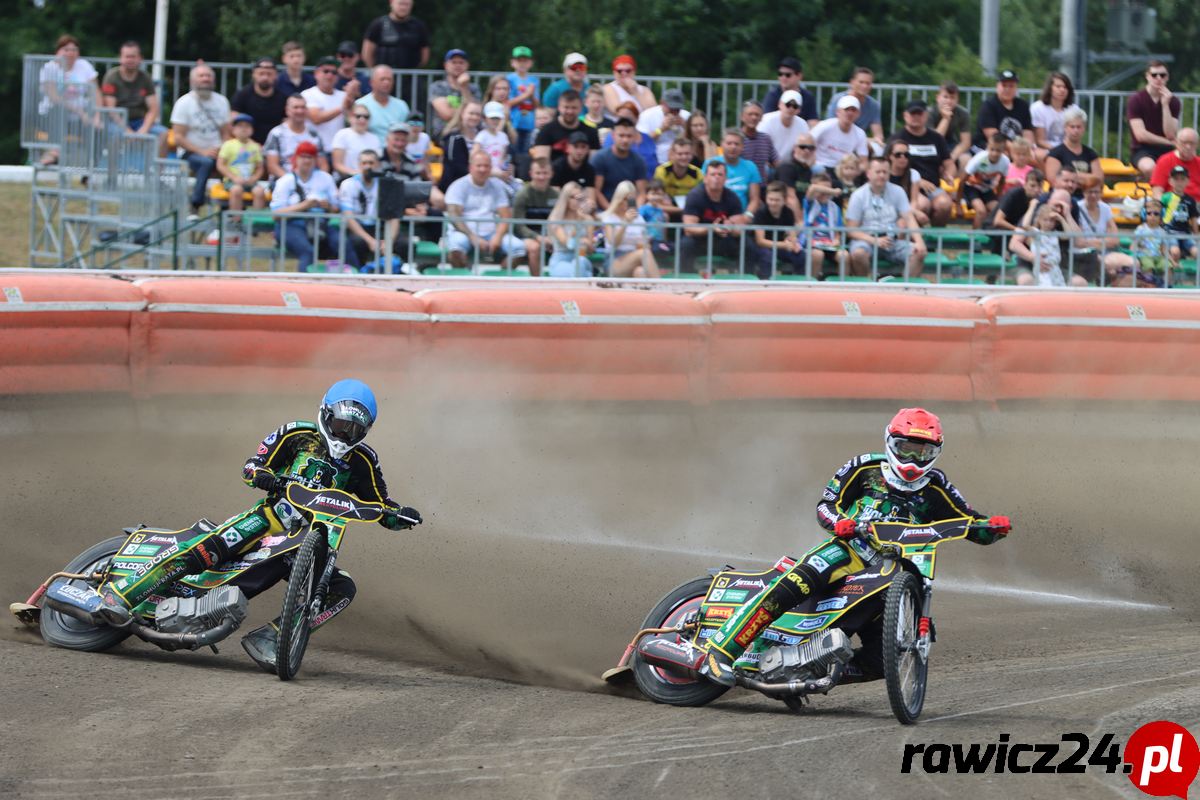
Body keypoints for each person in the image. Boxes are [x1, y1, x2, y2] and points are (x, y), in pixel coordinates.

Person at [95, 379, 423, 673]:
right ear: (325, 414)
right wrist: (264, 477)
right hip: (269, 518)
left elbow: (379, 504)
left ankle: (272, 639)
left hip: (318, 535)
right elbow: (252, 466)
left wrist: (400, 517)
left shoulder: (364, 460)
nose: (344, 435)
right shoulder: (296, 433)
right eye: (339, 425)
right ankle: (120, 595)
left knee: (343, 589)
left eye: (353, 430)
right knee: (206, 551)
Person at [694, 408, 1011, 687]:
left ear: (936, 453)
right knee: (795, 583)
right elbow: (826, 505)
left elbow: (971, 523)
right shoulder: (864, 467)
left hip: (890, 574)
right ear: (890, 443)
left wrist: (992, 527)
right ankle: (719, 652)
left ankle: (805, 671)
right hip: (847, 551)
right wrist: (838, 523)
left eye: (922, 452)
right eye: (905, 449)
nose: (913, 460)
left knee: (886, 658)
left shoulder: (937, 487)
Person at [444, 149, 527, 268]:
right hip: (464, 232)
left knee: (519, 249)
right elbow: (454, 215)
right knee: (456, 248)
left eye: (486, 166)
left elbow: (505, 215)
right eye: (479, 166)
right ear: (471, 167)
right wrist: (473, 237)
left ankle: (499, 279)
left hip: (491, 232)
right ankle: (465, 278)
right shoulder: (458, 186)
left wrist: (498, 236)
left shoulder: (497, 186)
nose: (482, 169)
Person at [845, 156, 927, 277]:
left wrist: (919, 242)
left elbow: (909, 218)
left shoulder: (898, 191)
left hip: (891, 240)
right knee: (858, 253)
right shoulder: (858, 195)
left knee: (918, 253)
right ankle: (863, 287)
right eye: (878, 172)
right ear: (868, 174)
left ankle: (905, 290)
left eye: (885, 172)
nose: (882, 175)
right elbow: (851, 230)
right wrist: (875, 241)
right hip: (866, 239)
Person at [268, 140, 342, 271]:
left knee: (343, 244)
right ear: (296, 158)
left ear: (315, 160)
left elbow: (336, 208)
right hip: (290, 225)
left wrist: (328, 206)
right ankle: (304, 287)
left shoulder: (325, 178)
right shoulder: (285, 181)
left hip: (320, 224)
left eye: (310, 157)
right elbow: (276, 215)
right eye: (303, 156)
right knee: (308, 252)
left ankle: (358, 285)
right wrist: (304, 206)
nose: (306, 161)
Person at [171, 62, 231, 215]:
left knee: (237, 162)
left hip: (218, 151)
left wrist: (222, 149)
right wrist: (202, 151)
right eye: (201, 76)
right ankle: (195, 206)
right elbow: (178, 137)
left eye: (209, 76)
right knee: (206, 162)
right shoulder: (183, 103)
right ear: (193, 81)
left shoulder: (222, 101)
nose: (206, 79)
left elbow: (226, 133)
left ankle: (230, 209)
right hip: (190, 152)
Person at [888, 99, 954, 227]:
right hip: (907, 185)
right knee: (922, 205)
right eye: (913, 114)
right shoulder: (897, 138)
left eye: (920, 114)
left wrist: (948, 174)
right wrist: (919, 182)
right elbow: (890, 166)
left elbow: (949, 163)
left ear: (926, 115)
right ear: (905, 115)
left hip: (933, 187)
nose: (916, 117)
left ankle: (935, 242)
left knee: (945, 205)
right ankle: (916, 241)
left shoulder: (936, 138)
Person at [680, 160, 750, 272]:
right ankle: (684, 277)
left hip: (723, 238)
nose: (716, 178)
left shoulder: (732, 197)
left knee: (746, 243)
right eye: (712, 174)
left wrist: (730, 227)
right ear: (705, 178)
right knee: (686, 243)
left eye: (720, 174)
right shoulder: (695, 196)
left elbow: (739, 229)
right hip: (700, 240)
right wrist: (711, 228)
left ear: (725, 178)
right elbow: (688, 229)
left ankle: (745, 278)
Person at [1010, 201, 1087, 287]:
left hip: (1055, 269)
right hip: (1042, 269)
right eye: (1045, 220)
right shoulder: (1036, 233)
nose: (1048, 223)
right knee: (1045, 287)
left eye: (1051, 221)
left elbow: (1068, 235)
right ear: (1039, 220)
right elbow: (1024, 225)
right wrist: (1031, 208)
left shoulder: (1055, 234)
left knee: (1059, 289)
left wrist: (1061, 218)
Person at [1128, 60, 1181, 180]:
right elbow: (1141, 135)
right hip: (1142, 149)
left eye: (1162, 75)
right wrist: (1170, 142)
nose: (1158, 78)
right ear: (1147, 76)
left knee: (1182, 168)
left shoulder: (1173, 101)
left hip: (1167, 150)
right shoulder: (1136, 99)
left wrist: (1165, 105)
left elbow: (1170, 134)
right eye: (1154, 75)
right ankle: (1159, 195)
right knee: (1149, 167)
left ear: (1167, 77)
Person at [600, 180, 660, 277]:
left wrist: (646, 243)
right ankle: (661, 288)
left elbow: (646, 243)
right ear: (618, 199)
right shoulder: (609, 217)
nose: (627, 203)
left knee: (640, 272)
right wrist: (625, 223)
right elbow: (613, 242)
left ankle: (650, 291)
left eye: (631, 199)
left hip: (635, 256)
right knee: (644, 253)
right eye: (625, 199)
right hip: (614, 259)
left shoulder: (638, 218)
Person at [100, 41, 162, 135]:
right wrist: (127, 131)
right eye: (127, 56)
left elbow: (153, 108)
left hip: (140, 121)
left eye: (133, 56)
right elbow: (111, 109)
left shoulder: (146, 78)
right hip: (116, 122)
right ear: (120, 58)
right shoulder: (111, 77)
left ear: (140, 59)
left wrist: (144, 129)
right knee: (115, 133)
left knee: (163, 134)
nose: (130, 60)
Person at [511, 157, 559, 275]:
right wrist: (538, 238)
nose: (541, 177)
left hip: (550, 237)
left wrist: (553, 238)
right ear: (531, 174)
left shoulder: (556, 195)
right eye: (538, 173)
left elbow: (560, 220)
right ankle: (537, 283)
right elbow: (519, 226)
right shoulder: (522, 195)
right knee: (534, 248)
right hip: (526, 236)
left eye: (545, 173)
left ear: (551, 174)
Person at [264, 95, 326, 181]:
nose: (300, 111)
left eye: (303, 107)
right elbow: (272, 166)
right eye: (295, 107)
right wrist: (293, 182)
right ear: (287, 110)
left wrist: (317, 181)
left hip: (310, 182)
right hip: (282, 182)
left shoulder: (314, 135)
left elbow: (323, 165)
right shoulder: (276, 134)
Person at [972, 69, 1034, 154]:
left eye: (1011, 86)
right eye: (1004, 85)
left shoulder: (1023, 105)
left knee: (1039, 156)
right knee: (1004, 155)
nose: (1007, 89)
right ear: (997, 86)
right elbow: (993, 136)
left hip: (1018, 148)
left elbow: (1027, 132)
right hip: (989, 146)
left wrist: (1027, 148)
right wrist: (1018, 151)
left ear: (1016, 88)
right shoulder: (988, 106)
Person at [545, 181, 599, 277]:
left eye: (579, 198)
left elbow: (590, 250)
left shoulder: (588, 219)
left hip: (581, 259)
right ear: (565, 198)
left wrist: (588, 244)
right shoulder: (556, 218)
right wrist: (578, 225)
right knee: (578, 272)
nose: (575, 201)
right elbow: (568, 244)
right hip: (560, 260)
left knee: (580, 263)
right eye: (572, 197)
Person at [703, 129, 762, 215]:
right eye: (729, 143)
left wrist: (747, 216)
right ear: (722, 144)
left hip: (740, 217)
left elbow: (754, 199)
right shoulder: (709, 164)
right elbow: (701, 192)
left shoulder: (750, 167)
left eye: (736, 144)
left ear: (742, 146)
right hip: (712, 215)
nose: (733, 147)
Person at [361, 0, 431, 73]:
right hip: (384, 79)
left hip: (410, 78)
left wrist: (413, 70)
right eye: (401, 3)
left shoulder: (419, 26)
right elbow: (366, 53)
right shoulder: (378, 24)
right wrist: (377, 73)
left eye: (407, 4)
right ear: (391, 3)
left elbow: (425, 55)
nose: (403, 7)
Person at [231, 58, 289, 146]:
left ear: (276, 76)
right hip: (246, 146)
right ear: (254, 74)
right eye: (261, 73)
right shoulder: (242, 95)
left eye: (269, 74)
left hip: (276, 146)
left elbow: (288, 125)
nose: (265, 77)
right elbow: (233, 123)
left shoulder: (283, 98)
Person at [593, 118, 648, 209]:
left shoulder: (639, 161)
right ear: (613, 136)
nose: (625, 140)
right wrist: (611, 212)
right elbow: (596, 191)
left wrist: (635, 212)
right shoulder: (600, 158)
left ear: (634, 137)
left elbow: (641, 193)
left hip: (629, 210)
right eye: (621, 136)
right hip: (604, 210)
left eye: (629, 136)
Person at [799, 172, 847, 276]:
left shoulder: (834, 207)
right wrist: (833, 191)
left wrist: (836, 240)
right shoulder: (810, 203)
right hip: (811, 243)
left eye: (828, 189)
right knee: (818, 255)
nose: (825, 193)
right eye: (823, 190)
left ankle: (842, 288)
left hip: (829, 243)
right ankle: (812, 285)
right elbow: (813, 188)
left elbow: (837, 232)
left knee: (844, 255)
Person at [986, 168, 1044, 255]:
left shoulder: (1039, 199)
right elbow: (998, 221)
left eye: (1039, 187)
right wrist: (1017, 229)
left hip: (1016, 229)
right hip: (993, 228)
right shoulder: (1014, 194)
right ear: (1025, 185)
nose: (1036, 190)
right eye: (1032, 186)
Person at [825, 67, 885, 150]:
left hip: (861, 143)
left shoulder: (873, 105)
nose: (864, 86)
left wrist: (876, 142)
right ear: (852, 82)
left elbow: (878, 136)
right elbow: (830, 128)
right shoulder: (838, 99)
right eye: (861, 82)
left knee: (879, 149)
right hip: (837, 141)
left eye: (868, 83)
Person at [216, 114, 267, 213]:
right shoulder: (228, 145)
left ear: (252, 129)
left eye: (247, 126)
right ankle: (236, 220)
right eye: (240, 126)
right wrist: (234, 177)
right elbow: (220, 164)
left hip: (250, 180)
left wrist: (254, 178)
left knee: (259, 191)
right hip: (232, 181)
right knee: (236, 190)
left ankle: (255, 221)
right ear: (233, 129)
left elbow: (260, 167)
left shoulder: (255, 146)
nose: (244, 129)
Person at [1044, 108, 1101, 193]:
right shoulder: (1055, 154)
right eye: (1072, 127)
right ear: (1065, 128)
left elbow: (1099, 180)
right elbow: (1054, 182)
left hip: (1087, 198)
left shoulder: (1091, 154)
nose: (1075, 130)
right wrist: (1086, 179)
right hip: (1062, 197)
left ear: (1084, 129)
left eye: (1079, 127)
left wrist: (1069, 178)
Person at [753, 181, 803, 278]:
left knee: (801, 256)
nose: (773, 203)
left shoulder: (788, 213)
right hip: (763, 247)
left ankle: (798, 284)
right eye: (770, 199)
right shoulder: (760, 213)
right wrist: (783, 245)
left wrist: (794, 243)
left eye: (777, 200)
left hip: (780, 246)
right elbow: (760, 241)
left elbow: (791, 235)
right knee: (767, 257)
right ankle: (765, 285)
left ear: (784, 200)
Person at [531, 90, 599, 161]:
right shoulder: (546, 131)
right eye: (566, 107)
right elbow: (541, 164)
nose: (570, 111)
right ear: (559, 107)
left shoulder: (591, 132)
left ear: (580, 108)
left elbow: (594, 164)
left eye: (574, 108)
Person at [301, 57, 351, 152]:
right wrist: (343, 107)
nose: (330, 75)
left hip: (339, 150)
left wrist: (351, 97)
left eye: (334, 72)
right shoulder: (307, 94)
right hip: (315, 151)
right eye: (326, 71)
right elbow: (316, 118)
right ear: (316, 74)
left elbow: (352, 121)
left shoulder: (344, 96)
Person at [429, 49, 480, 140]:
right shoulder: (438, 87)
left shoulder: (474, 88)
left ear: (467, 65)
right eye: (454, 62)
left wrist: (464, 88)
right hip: (443, 134)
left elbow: (475, 113)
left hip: (470, 134)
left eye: (461, 62)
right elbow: (447, 115)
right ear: (446, 65)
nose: (457, 65)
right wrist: (468, 114)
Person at [962, 134, 1011, 229]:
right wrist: (958, 205)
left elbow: (1002, 181)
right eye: (992, 149)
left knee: (997, 211)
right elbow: (962, 180)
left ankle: (989, 237)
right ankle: (974, 239)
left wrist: (998, 198)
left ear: (1004, 150)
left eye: (998, 150)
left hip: (987, 190)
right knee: (981, 211)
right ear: (988, 146)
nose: (994, 153)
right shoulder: (979, 159)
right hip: (971, 188)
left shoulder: (1005, 162)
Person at [1030, 71, 1081, 158]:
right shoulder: (1037, 108)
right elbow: (1040, 140)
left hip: (1068, 148)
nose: (1062, 90)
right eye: (1058, 86)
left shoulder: (1074, 109)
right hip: (1044, 149)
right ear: (1050, 88)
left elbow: (1076, 135)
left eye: (1065, 87)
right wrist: (1060, 151)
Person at [811, 95, 868, 171]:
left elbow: (864, 162)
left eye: (853, 110)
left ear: (858, 114)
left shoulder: (860, 134)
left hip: (843, 171)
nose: (850, 113)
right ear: (838, 112)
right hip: (821, 166)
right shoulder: (824, 126)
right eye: (846, 109)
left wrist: (855, 171)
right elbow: (807, 142)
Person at [357, 65, 410, 145]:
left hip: (395, 152)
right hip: (368, 153)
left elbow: (407, 133)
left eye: (389, 79)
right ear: (371, 82)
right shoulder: (360, 105)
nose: (386, 82)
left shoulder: (402, 105)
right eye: (382, 79)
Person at [435, 101, 482, 190]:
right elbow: (456, 167)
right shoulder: (453, 138)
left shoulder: (483, 136)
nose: (474, 117)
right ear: (462, 114)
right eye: (471, 113)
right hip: (455, 186)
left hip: (480, 183)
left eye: (478, 114)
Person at [637, 89, 691, 166]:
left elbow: (695, 140)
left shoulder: (687, 116)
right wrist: (661, 129)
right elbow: (641, 141)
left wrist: (685, 126)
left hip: (682, 159)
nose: (674, 112)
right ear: (662, 103)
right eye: (671, 108)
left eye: (677, 109)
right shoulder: (647, 115)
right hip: (655, 159)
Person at [762, 57, 819, 127]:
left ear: (799, 76)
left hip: (800, 135)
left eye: (787, 75)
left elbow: (813, 122)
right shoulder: (772, 95)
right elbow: (766, 120)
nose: (783, 77)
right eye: (780, 74)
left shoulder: (808, 97)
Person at [332, 103, 383, 180]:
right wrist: (357, 174)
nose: (362, 119)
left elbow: (377, 164)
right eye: (358, 116)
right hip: (346, 178)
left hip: (369, 179)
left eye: (366, 117)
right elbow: (338, 165)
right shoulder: (342, 134)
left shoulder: (374, 138)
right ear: (350, 118)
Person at [758, 91, 810, 166]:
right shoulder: (766, 121)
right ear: (780, 104)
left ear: (799, 110)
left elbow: (806, 148)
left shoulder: (803, 124)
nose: (791, 108)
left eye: (795, 106)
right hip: (768, 164)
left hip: (791, 165)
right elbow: (761, 148)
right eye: (788, 105)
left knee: (817, 169)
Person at [777, 134, 824, 213]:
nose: (807, 150)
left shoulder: (809, 170)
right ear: (795, 148)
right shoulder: (787, 167)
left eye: (811, 148)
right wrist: (800, 220)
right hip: (787, 215)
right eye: (802, 147)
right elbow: (790, 198)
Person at [1150, 128, 1200, 201]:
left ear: (1197, 145)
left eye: (1192, 143)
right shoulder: (1165, 161)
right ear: (1177, 143)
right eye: (1184, 143)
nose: (1188, 147)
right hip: (1172, 205)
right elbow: (1157, 192)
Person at [1161, 165, 1200, 261]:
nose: (1179, 182)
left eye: (1182, 179)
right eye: (1176, 179)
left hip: (1185, 234)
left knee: (1196, 252)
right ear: (1170, 181)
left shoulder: (1190, 200)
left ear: (1187, 181)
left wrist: (1196, 235)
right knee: (1175, 252)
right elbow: (1160, 216)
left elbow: (1194, 218)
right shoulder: (1166, 197)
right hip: (1169, 233)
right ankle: (1173, 272)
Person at [931, 81, 972, 170]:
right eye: (945, 97)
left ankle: (957, 184)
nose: (949, 101)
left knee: (966, 160)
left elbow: (966, 142)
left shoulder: (963, 113)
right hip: (931, 146)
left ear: (957, 100)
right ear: (938, 98)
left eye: (952, 98)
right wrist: (946, 119)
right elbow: (935, 140)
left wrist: (953, 156)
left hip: (951, 144)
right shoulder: (929, 113)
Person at [507, 46, 539, 156]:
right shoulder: (509, 79)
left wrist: (530, 96)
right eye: (519, 60)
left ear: (530, 63)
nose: (522, 63)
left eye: (525, 60)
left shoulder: (534, 80)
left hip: (529, 123)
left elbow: (536, 104)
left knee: (525, 154)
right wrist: (527, 94)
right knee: (513, 153)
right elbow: (508, 102)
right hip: (514, 121)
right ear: (512, 62)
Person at [654, 138, 703, 212]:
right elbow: (656, 198)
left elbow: (701, 197)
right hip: (666, 209)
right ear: (673, 155)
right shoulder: (662, 171)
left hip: (690, 208)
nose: (684, 157)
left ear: (692, 154)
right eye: (680, 154)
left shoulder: (697, 173)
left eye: (687, 154)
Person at [551, 130, 598, 203]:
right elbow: (554, 194)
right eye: (576, 147)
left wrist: (589, 206)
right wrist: (572, 195)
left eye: (583, 147)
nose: (579, 151)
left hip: (581, 207)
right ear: (568, 148)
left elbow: (591, 199)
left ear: (588, 149)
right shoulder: (557, 167)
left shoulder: (589, 169)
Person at [737, 101, 777, 183]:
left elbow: (776, 162)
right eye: (750, 114)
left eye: (757, 115)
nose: (754, 117)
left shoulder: (765, 139)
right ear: (742, 117)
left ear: (761, 118)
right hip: (739, 185)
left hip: (761, 186)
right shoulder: (734, 139)